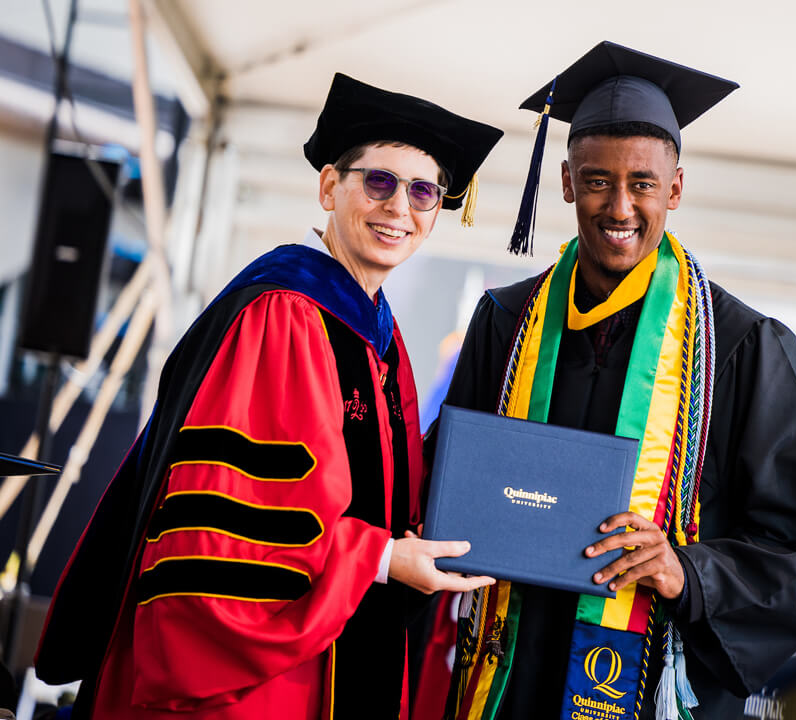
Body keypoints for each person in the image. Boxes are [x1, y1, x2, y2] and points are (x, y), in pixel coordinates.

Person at [33, 73, 502, 719]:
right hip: (257, 682)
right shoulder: (285, 314)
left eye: (423, 191)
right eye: (379, 181)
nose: (401, 207)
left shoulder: (376, 335)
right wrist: (385, 556)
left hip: (330, 653)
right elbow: (246, 526)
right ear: (329, 186)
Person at [435, 42, 796, 719]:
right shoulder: (505, 322)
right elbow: (454, 472)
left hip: (649, 681)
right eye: (597, 180)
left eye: (643, 183)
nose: (619, 207)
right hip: (507, 673)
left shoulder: (743, 347)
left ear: (676, 189)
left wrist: (688, 571)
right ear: (567, 182)